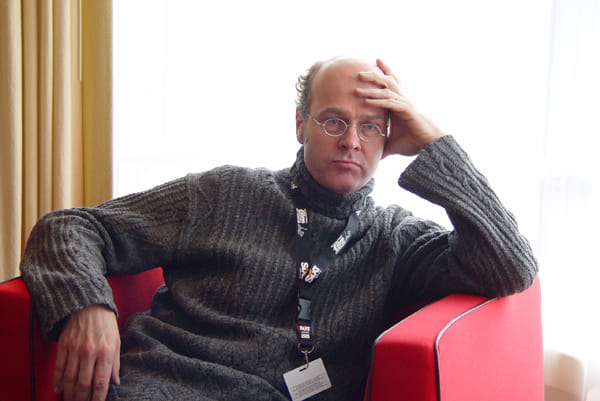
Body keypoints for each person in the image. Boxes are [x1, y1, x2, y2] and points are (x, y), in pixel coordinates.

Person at [20, 57, 538, 401]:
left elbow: (511, 265)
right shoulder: (226, 192)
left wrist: (435, 143)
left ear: (388, 139)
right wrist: (88, 306)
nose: (351, 141)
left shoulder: (394, 239)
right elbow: (71, 227)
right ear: (299, 124)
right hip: (163, 386)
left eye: (370, 127)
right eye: (333, 121)